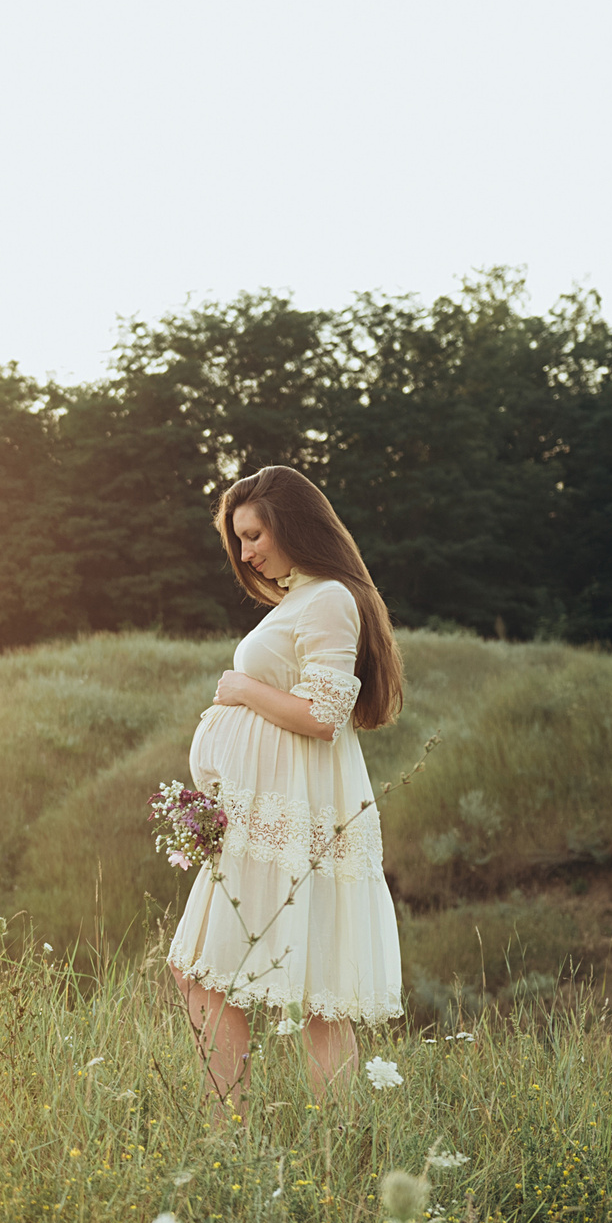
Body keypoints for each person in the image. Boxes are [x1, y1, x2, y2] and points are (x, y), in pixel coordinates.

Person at [166, 465, 405, 1125]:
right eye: (237, 541)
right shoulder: (303, 598)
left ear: (292, 524)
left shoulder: (328, 597)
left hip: (286, 821)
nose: (246, 554)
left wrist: (239, 690)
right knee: (254, 985)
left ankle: (246, 1136)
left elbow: (322, 715)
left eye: (253, 535)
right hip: (262, 817)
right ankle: (266, 1139)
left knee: (294, 992)